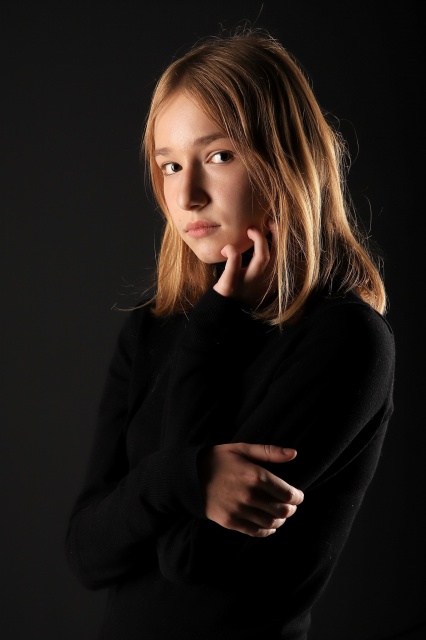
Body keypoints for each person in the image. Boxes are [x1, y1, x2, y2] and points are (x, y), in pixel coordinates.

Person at [65, 25, 395, 640]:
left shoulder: (347, 340)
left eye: (218, 155)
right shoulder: (153, 327)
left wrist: (215, 330)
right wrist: (181, 478)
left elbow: (191, 559)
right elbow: (86, 553)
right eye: (169, 165)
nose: (187, 196)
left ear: (284, 159)